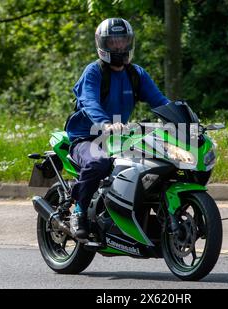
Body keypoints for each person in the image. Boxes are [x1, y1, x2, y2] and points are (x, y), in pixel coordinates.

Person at [65, 18, 169, 239]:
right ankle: (79, 211)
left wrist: (184, 120)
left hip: (120, 138)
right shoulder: (93, 72)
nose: (119, 47)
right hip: (87, 137)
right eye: (113, 42)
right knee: (98, 162)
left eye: (123, 41)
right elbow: (89, 102)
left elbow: (160, 101)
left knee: (154, 165)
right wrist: (106, 124)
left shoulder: (136, 74)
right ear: (103, 44)